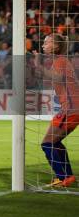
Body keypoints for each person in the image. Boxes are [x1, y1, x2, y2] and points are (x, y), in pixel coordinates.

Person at [35, 34, 77, 187]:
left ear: (56, 46)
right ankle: (67, 176)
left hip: (71, 109)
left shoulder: (60, 61)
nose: (43, 45)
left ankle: (63, 177)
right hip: (72, 108)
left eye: (47, 42)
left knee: (47, 143)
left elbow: (58, 78)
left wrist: (39, 66)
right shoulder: (60, 61)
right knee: (54, 141)